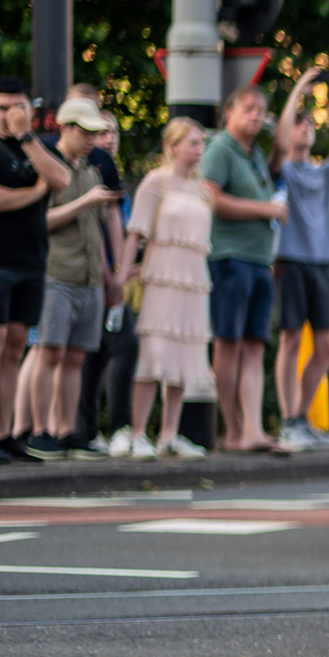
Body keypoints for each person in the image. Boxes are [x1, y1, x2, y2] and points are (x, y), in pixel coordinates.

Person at [0, 77, 72, 463]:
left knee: (14, 348)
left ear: (30, 110)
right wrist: (33, 193)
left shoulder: (38, 147)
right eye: (3, 108)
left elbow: (61, 180)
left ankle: (5, 432)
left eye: (18, 107)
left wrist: (27, 138)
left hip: (31, 261)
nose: (10, 115)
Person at [269, 69, 329, 451]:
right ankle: (289, 420)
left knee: (325, 345)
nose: (304, 129)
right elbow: (277, 142)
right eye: (297, 125)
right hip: (291, 260)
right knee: (291, 339)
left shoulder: (324, 172)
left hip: (325, 261)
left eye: (308, 125)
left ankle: (302, 418)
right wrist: (299, 88)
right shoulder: (282, 170)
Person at [22, 97, 121, 458]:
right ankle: (39, 430)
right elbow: (39, 222)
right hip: (57, 273)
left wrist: (110, 274)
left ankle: (67, 431)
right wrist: (84, 203)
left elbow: (101, 224)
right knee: (50, 353)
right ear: (64, 128)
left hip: (90, 277)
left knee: (76, 357)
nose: (93, 139)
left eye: (96, 132)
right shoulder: (49, 167)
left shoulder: (91, 168)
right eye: (85, 132)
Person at [115, 120, 216, 458]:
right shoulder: (155, 182)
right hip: (161, 280)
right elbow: (136, 233)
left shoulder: (203, 190)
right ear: (173, 147)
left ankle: (169, 434)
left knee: (185, 356)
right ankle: (139, 432)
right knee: (152, 357)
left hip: (193, 282)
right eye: (192, 143)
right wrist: (121, 276)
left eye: (201, 143)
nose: (199, 149)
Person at [199, 84, 289, 451]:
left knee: (253, 346)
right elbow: (210, 197)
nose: (256, 115)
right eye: (248, 108)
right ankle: (233, 429)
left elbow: (283, 144)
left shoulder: (256, 154)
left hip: (259, 262)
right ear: (229, 112)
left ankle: (253, 428)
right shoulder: (220, 148)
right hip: (230, 258)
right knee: (229, 343)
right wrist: (264, 210)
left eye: (261, 110)